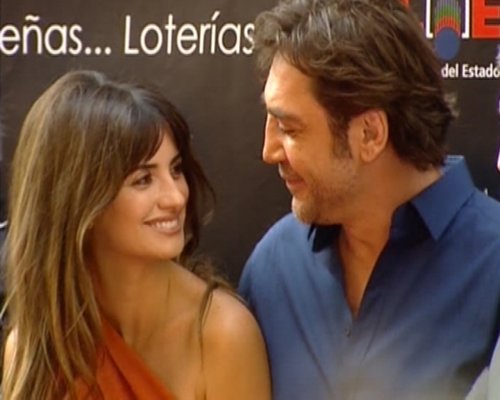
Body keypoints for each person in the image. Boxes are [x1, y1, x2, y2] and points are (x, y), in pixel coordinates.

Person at [238, 0, 500, 399]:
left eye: (289, 129)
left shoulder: (492, 264)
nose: (269, 151)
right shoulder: (274, 266)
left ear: (370, 135)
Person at [2, 70, 271, 400]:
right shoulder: (34, 348)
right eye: (143, 180)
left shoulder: (222, 334)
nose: (176, 197)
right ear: (81, 201)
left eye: (176, 170)